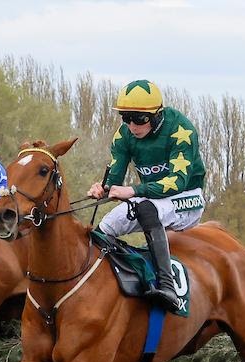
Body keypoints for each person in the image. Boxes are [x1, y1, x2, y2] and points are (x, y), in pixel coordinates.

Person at [86, 80, 206, 311]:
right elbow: (115, 179)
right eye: (125, 117)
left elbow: (176, 182)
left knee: (147, 208)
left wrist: (133, 190)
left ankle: (167, 286)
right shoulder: (123, 136)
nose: (132, 125)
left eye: (139, 118)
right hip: (151, 198)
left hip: (188, 197)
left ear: (157, 115)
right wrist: (103, 188)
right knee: (106, 227)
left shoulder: (182, 130)